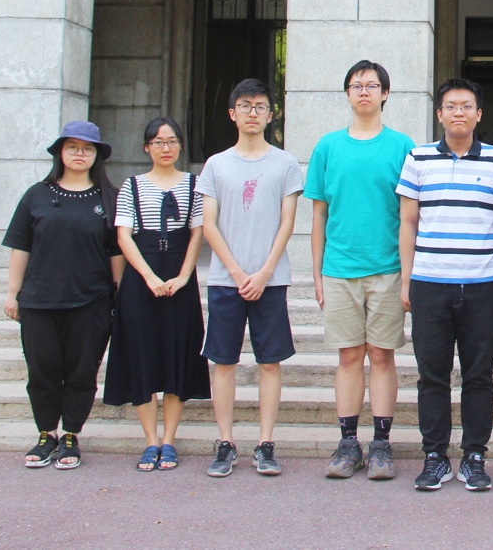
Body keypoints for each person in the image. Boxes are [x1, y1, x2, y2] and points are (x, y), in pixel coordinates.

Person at [397, 78, 493, 492]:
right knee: (431, 375)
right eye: (451, 106)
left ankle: (474, 456)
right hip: (429, 284)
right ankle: (434, 456)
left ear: (478, 114)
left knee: (478, 375)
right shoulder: (417, 158)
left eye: (466, 106)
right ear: (440, 114)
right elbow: (408, 222)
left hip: (482, 285)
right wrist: (406, 281)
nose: (459, 113)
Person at [306, 61, 416, 481]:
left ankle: (382, 444)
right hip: (339, 269)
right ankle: (348, 442)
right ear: (347, 94)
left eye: (372, 85)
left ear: (385, 94)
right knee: (349, 355)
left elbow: (410, 217)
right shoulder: (327, 147)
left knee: (382, 355)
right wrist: (317, 274)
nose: (364, 91)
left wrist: (408, 276)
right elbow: (319, 215)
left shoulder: (402, 146)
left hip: (388, 268)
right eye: (357, 85)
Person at [197, 78, 304, 478]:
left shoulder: (285, 163)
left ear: (271, 114)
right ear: (232, 113)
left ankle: (265, 443)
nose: (252, 113)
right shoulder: (216, 164)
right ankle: (225, 443)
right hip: (226, 280)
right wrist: (239, 272)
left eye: (260, 106)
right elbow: (208, 224)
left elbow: (287, 222)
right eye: (245, 106)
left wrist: (264, 272)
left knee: (270, 362)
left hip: (270, 281)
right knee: (223, 362)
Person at [2, 121, 122, 470]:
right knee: (42, 369)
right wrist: (12, 293)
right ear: (60, 153)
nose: (79, 154)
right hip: (39, 300)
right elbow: (21, 246)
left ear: (97, 155)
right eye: (72, 147)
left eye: (87, 148)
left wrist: (119, 294)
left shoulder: (109, 198)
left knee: (83, 371)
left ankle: (70, 435)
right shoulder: (37, 195)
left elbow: (116, 251)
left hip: (91, 301)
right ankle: (46, 434)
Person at [104, 117, 211, 472]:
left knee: (177, 356)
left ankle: (169, 441)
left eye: (172, 141)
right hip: (141, 279)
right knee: (142, 357)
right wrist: (149, 276)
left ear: (180, 145)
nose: (166, 148)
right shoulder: (132, 186)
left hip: (180, 278)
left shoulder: (194, 184)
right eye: (158, 142)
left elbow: (198, 232)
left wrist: (184, 276)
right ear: (147, 147)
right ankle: (150, 441)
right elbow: (123, 236)